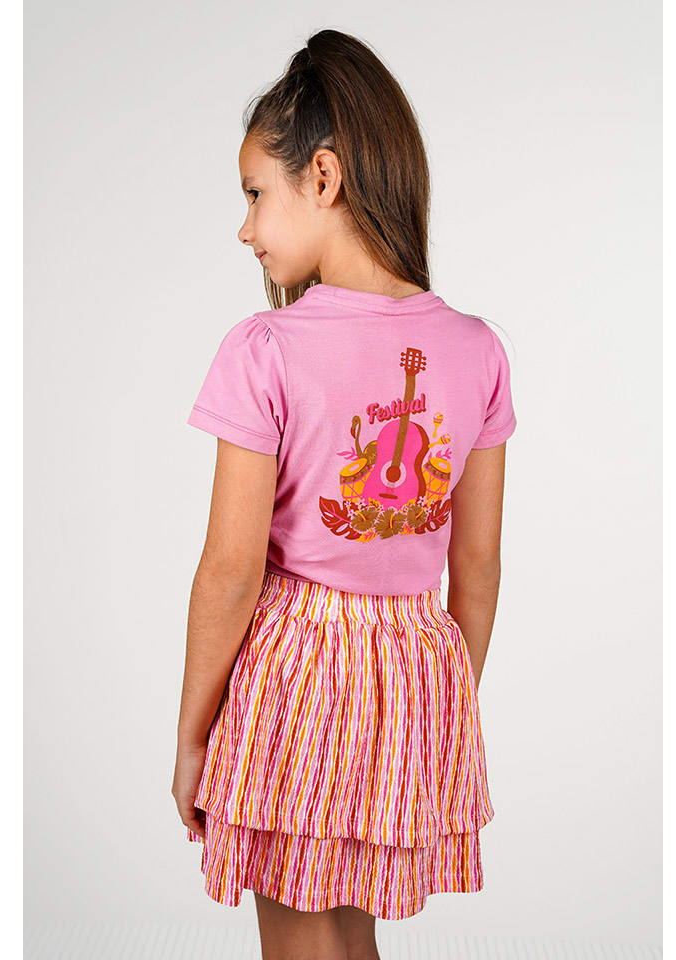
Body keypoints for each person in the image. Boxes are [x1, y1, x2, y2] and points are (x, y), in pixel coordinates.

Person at [171, 27, 517, 960]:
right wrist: (441, 703)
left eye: (255, 194)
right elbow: (477, 564)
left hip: (296, 671)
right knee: (350, 939)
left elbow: (231, 570)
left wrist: (194, 736)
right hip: (413, 670)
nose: (245, 229)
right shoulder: (477, 349)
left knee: (297, 942)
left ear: (321, 176)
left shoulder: (266, 349)